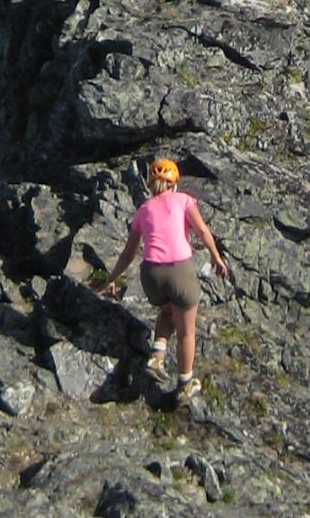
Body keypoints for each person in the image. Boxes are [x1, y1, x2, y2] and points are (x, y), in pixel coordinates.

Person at [95, 154, 228, 400]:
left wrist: (110, 279)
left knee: (167, 311)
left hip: (151, 273)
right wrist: (216, 256)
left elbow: (128, 254)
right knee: (187, 330)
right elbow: (201, 230)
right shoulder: (184, 200)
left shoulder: (142, 211)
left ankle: (157, 354)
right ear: (173, 183)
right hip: (179, 270)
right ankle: (185, 383)